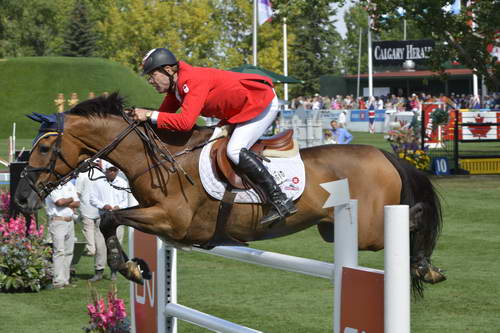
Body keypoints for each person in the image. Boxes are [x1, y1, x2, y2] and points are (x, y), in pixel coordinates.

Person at [131, 48, 297, 225]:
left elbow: (184, 123)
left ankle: (280, 200)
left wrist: (148, 115)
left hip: (260, 102)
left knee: (234, 150)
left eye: (152, 75)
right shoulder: (176, 88)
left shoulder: (192, 80)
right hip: (240, 109)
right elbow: (163, 116)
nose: (150, 81)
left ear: (169, 70)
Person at [88, 164, 128, 282]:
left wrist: (119, 206)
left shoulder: (122, 183)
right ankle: (99, 271)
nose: (112, 173)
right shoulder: (98, 183)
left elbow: (125, 200)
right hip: (103, 216)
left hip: (116, 218)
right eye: (110, 170)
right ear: (105, 171)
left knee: (115, 246)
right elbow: (92, 199)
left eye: (114, 170)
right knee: (100, 246)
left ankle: (114, 271)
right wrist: (102, 205)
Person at [45, 181, 80, 289]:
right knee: (59, 251)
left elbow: (78, 203)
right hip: (58, 221)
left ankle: (65, 279)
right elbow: (59, 202)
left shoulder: (70, 185)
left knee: (69, 252)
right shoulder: (52, 186)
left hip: (70, 221)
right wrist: (70, 199)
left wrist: (66, 201)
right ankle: (58, 281)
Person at [75, 160, 104, 256]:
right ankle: (99, 252)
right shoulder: (102, 174)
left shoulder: (82, 175)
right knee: (99, 235)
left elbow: (77, 193)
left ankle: (91, 249)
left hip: (86, 209)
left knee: (88, 231)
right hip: (100, 209)